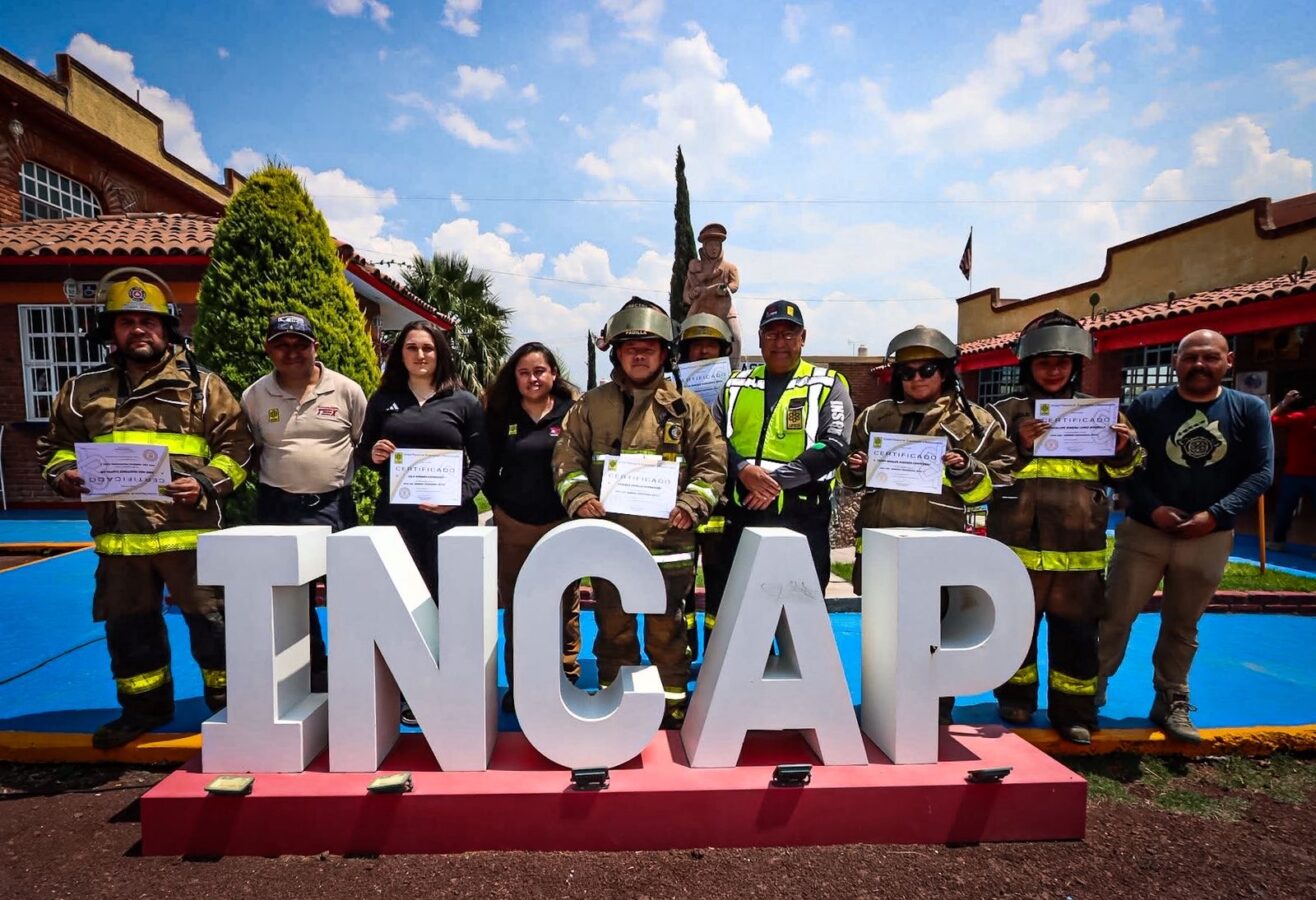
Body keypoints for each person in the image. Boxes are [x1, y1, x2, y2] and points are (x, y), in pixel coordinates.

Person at [36, 268, 253, 749]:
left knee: (214, 627)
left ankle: (232, 708)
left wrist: (204, 484)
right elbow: (55, 447)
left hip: (189, 536)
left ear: (167, 327)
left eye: (149, 320)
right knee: (129, 630)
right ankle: (143, 710)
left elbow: (237, 448)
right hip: (120, 539)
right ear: (109, 330)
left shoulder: (202, 387)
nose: (139, 329)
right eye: (126, 321)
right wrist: (64, 474)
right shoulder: (81, 391)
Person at [553, 298, 726, 728]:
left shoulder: (688, 407)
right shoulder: (591, 405)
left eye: (649, 345)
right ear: (616, 352)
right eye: (630, 346)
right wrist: (579, 497)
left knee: (668, 630)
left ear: (665, 353)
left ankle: (671, 704)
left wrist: (693, 502)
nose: (640, 353)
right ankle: (617, 696)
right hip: (610, 541)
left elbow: (712, 460)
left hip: (670, 541)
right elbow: (566, 456)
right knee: (613, 628)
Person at [1100, 329, 1273, 742]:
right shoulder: (1147, 406)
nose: (1199, 364)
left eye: (1210, 357)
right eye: (1190, 357)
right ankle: (1090, 690)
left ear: (1228, 361)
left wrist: (1216, 515)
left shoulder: (1249, 410)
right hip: (1145, 532)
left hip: (1208, 537)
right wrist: (1150, 507)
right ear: (1176, 362)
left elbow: (1262, 473)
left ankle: (1171, 699)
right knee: (1114, 614)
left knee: (1182, 624)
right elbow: (1123, 463)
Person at [839, 324, 1014, 725]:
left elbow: (999, 481)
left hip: (941, 553)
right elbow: (845, 478)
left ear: (946, 372)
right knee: (883, 636)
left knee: (937, 636)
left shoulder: (975, 423)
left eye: (927, 369)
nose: (916, 379)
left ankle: (934, 713)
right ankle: (883, 709)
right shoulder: (874, 417)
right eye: (906, 372)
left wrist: (967, 470)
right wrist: (853, 470)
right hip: (882, 550)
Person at [985, 312, 1142, 745]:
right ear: (1027, 366)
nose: (1054, 370)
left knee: (1077, 635)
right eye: (1044, 362)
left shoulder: (1101, 414)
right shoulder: (1002, 415)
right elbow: (984, 476)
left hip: (1080, 551)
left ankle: (1074, 712)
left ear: (1076, 365)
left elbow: (1125, 475)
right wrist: (1020, 445)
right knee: (1017, 630)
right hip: (1016, 549)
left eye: (1063, 362)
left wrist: (1124, 449)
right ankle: (1015, 698)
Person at [358, 320, 489, 725]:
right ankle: (409, 689)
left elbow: (483, 462)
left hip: (452, 522)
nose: (419, 355)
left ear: (440, 353)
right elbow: (364, 453)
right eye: (411, 347)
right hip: (397, 520)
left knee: (449, 602)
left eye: (428, 348)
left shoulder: (464, 401)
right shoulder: (383, 400)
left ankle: (452, 685)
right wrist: (375, 454)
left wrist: (458, 497)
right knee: (404, 602)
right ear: (400, 354)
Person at [242, 312, 367, 694]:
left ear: (316, 347)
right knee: (291, 595)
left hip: (333, 506)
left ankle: (352, 666)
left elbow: (363, 442)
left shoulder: (347, 391)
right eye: (281, 344)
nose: (291, 352)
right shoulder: (254, 395)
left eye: (300, 344)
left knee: (347, 590)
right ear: (268, 350)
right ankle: (309, 666)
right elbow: (250, 447)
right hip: (278, 508)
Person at [714, 300, 853, 597]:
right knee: (743, 610)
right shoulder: (735, 384)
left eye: (789, 334)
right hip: (744, 514)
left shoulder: (829, 384)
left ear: (803, 338)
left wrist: (774, 482)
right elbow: (712, 440)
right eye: (771, 333)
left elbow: (834, 445)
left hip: (804, 516)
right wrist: (742, 470)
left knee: (801, 613)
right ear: (760, 338)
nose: (780, 342)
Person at [483, 342, 581, 715]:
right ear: (515, 377)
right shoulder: (501, 414)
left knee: (565, 602)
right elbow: (487, 468)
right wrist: (500, 505)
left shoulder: (572, 413)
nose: (532, 379)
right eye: (524, 372)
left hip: (561, 523)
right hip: (514, 525)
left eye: (539, 371)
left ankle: (566, 671)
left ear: (553, 374)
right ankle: (520, 679)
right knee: (517, 605)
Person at [676, 314, 736, 657]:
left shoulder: (739, 389)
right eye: (695, 345)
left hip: (721, 504)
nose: (702, 352)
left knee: (721, 582)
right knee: (679, 584)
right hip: (675, 506)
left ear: (723, 350)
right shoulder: (667, 389)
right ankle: (681, 651)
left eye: (710, 345)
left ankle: (718, 653)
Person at [684, 223, 743, 366]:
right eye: (710, 244)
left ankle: (734, 370)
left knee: (736, 337)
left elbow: (735, 285)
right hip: (702, 309)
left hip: (724, 309)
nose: (714, 248)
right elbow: (686, 295)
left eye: (717, 244)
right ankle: (685, 370)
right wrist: (692, 294)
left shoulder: (729, 267)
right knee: (684, 336)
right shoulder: (695, 269)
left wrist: (725, 288)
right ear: (704, 246)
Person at [1268, 390, 1316, 553]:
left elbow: (1268, 419)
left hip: (1295, 473)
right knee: (1285, 509)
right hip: (1299, 473)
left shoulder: (1300, 417)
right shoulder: (1301, 418)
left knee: (1285, 509)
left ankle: (1278, 542)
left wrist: (1285, 402)